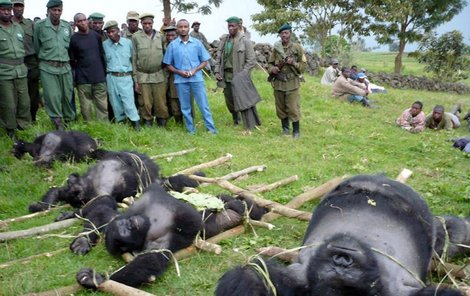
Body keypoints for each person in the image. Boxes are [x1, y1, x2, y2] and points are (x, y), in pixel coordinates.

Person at [163, 19, 217, 135]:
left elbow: (204, 61)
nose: (183, 29)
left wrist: (195, 70)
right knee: (185, 107)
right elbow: (168, 64)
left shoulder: (197, 43)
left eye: (185, 27)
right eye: (180, 27)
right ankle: (190, 130)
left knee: (203, 105)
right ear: (177, 29)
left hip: (196, 79)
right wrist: (179, 72)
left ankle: (211, 129)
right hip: (180, 80)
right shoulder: (172, 45)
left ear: (188, 28)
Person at [215, 16, 261, 133]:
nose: (230, 28)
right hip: (226, 75)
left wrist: (243, 74)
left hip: (239, 76)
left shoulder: (245, 41)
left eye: (233, 26)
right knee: (229, 99)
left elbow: (251, 60)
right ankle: (236, 119)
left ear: (239, 26)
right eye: (229, 26)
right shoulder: (224, 40)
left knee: (244, 100)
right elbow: (219, 58)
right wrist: (217, 72)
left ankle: (251, 123)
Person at [34, 0, 75, 130]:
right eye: (54, 10)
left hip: (65, 67)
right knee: (53, 96)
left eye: (59, 10)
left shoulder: (66, 27)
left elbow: (70, 48)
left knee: (67, 96)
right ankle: (57, 123)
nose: (57, 13)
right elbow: (36, 46)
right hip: (48, 67)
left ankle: (69, 120)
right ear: (48, 11)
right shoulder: (39, 26)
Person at [267, 23, 306, 138]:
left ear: (290, 34)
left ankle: (296, 131)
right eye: (282, 33)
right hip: (279, 82)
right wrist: (272, 69)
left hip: (292, 83)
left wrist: (293, 63)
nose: (284, 35)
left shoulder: (297, 48)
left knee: (293, 107)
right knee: (280, 107)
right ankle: (285, 129)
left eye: (286, 33)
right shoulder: (276, 49)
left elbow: (303, 66)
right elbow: (270, 63)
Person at [0, 0, 31, 139]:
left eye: (9, 9)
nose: (7, 12)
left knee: (24, 102)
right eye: (3, 9)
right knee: (9, 103)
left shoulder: (18, 27)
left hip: (21, 70)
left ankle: (23, 126)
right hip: (4, 72)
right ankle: (10, 129)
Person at [69, 13, 108, 121]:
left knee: (102, 106)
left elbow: (101, 54)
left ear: (87, 21)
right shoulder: (74, 39)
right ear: (76, 23)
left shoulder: (96, 36)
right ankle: (90, 127)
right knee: (85, 108)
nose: (83, 22)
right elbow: (73, 59)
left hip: (99, 77)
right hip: (83, 79)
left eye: (84, 20)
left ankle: (103, 128)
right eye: (79, 21)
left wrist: (104, 73)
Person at [102, 20, 140, 131]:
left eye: (112, 31)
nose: (110, 34)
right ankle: (121, 125)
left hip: (126, 77)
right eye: (108, 32)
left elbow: (133, 60)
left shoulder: (128, 43)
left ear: (118, 31)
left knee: (129, 103)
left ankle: (136, 125)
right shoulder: (105, 45)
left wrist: (135, 79)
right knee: (115, 103)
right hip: (111, 77)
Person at [132, 13, 168, 127]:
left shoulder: (160, 36)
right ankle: (147, 120)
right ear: (141, 24)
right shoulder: (136, 37)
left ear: (153, 24)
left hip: (158, 74)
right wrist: (135, 79)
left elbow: (165, 54)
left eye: (149, 23)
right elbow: (134, 58)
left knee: (160, 100)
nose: (147, 26)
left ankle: (161, 120)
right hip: (142, 75)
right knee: (145, 101)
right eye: (144, 23)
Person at [11, 0, 40, 123]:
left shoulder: (30, 24)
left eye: (21, 6)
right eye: (16, 6)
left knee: (33, 95)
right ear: (12, 7)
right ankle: (16, 121)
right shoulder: (6, 23)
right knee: (15, 95)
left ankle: (32, 119)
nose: (19, 8)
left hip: (31, 62)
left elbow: (38, 43)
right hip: (13, 63)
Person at [163, 25, 183, 124]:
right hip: (165, 76)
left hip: (178, 74)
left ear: (177, 35)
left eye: (173, 35)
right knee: (169, 97)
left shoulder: (181, 45)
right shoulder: (163, 46)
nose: (170, 37)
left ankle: (182, 120)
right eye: (168, 35)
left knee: (178, 97)